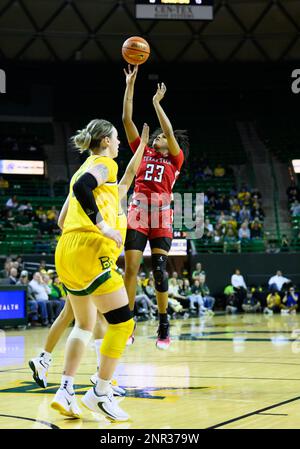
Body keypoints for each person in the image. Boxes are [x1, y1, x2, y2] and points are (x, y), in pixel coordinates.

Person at [33, 119, 149, 422]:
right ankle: (100, 390)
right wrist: (101, 226)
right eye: (117, 140)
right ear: (106, 142)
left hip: (66, 253)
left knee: (84, 324)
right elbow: (83, 186)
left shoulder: (107, 187)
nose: (120, 145)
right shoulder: (102, 165)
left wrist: (143, 146)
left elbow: (62, 219)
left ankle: (66, 389)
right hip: (91, 253)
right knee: (123, 324)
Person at [122, 64, 189, 350]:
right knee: (131, 269)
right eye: (159, 136)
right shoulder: (144, 150)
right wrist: (130, 85)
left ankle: (163, 323)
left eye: (162, 136)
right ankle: (127, 322)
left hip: (161, 214)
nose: (160, 137)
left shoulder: (176, 158)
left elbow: (171, 132)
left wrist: (156, 103)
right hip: (138, 211)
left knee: (159, 271)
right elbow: (126, 119)